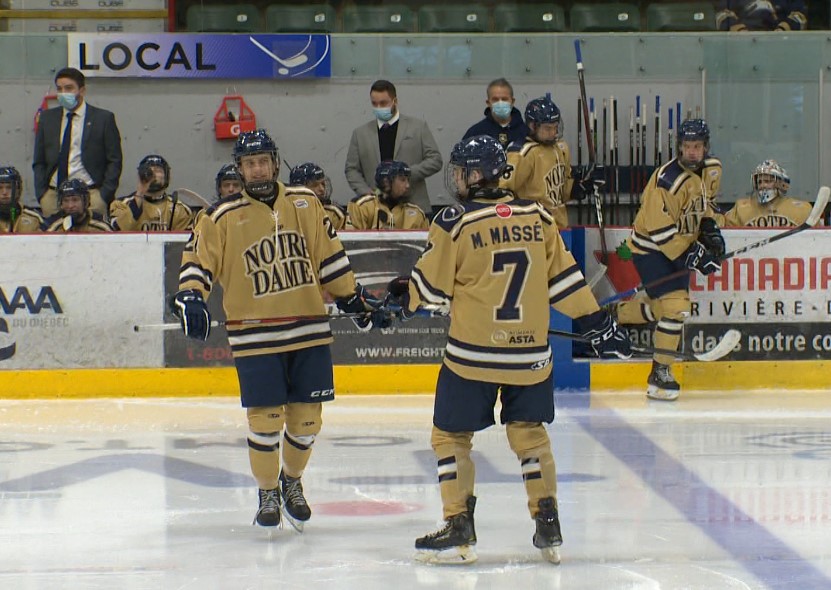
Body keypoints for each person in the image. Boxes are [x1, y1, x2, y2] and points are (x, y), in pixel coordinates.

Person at [385, 135, 631, 565]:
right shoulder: (537, 216)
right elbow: (566, 282)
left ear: (476, 175)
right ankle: (547, 520)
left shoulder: (455, 220)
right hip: (530, 356)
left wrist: (397, 301)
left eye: (462, 170)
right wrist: (596, 324)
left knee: (450, 436)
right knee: (530, 435)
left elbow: (428, 288)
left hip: (471, 357)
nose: (458, 178)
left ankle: (459, 522)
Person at [171, 129, 388, 532]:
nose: (257, 168)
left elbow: (331, 259)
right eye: (249, 163)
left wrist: (352, 299)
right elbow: (197, 262)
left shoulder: (305, 204)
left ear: (274, 161)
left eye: (263, 161)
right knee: (266, 420)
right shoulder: (219, 216)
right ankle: (268, 491)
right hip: (255, 336)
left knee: (307, 421)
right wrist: (191, 295)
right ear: (240, 168)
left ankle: (292, 481)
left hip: (308, 330)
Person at [613, 119, 725, 401]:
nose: (691, 152)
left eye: (697, 146)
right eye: (686, 146)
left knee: (664, 308)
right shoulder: (667, 181)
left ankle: (614, 316)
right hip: (650, 248)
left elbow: (704, 205)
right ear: (678, 147)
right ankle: (659, 373)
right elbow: (658, 228)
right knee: (676, 308)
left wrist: (710, 231)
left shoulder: (712, 170)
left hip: (678, 244)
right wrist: (694, 256)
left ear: (705, 147)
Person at [33, 67, 122, 218]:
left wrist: (104, 195)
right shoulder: (47, 119)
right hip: (53, 196)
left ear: (82, 90)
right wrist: (42, 194)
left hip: (91, 195)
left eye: (68, 88)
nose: (63, 93)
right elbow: (39, 160)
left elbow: (114, 160)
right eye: (59, 89)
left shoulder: (103, 119)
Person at [344, 79, 443, 214]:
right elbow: (351, 169)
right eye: (374, 104)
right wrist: (366, 193)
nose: (379, 107)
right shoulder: (360, 134)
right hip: (376, 210)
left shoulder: (418, 127)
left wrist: (405, 174)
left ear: (395, 101)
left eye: (383, 103)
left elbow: (436, 160)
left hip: (414, 207)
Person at [499, 96, 597, 228]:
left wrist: (578, 187)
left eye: (555, 127)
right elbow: (503, 190)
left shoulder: (561, 148)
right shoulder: (521, 153)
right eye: (547, 128)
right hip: (534, 229)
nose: (553, 133)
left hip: (560, 226)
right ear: (532, 126)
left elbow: (558, 191)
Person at [110, 155, 193, 231]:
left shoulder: (180, 210)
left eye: (158, 170)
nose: (153, 175)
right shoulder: (121, 205)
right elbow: (117, 232)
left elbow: (184, 244)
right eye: (149, 171)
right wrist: (140, 194)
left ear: (168, 177)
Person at [721, 160, 810, 227]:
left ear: (781, 184)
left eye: (768, 181)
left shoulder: (802, 210)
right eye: (759, 182)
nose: (763, 185)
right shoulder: (740, 208)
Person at [347, 161, 429, 230]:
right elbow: (352, 243)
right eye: (402, 180)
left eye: (408, 180)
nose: (407, 185)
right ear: (386, 183)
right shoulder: (363, 207)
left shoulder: (417, 213)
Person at [462, 78, 529, 150]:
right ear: (488, 103)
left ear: (512, 101)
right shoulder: (476, 133)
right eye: (495, 99)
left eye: (504, 99)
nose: (500, 103)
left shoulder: (526, 132)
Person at [289, 162, 348, 231]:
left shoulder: (334, 213)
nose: (322, 189)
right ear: (299, 188)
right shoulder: (285, 211)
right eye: (315, 185)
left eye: (323, 184)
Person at [43, 179, 113, 233]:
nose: (70, 206)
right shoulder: (53, 225)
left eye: (75, 200)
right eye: (66, 201)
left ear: (85, 201)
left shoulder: (100, 226)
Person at [0, 166, 43, 233]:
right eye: (0, 188)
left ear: (19, 190)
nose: (4, 192)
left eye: (9, 187)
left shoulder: (33, 218)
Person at [716, 1, 807, 31]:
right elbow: (722, 15)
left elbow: (800, 16)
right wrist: (740, 31)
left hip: (781, 46)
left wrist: (782, 30)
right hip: (743, 46)